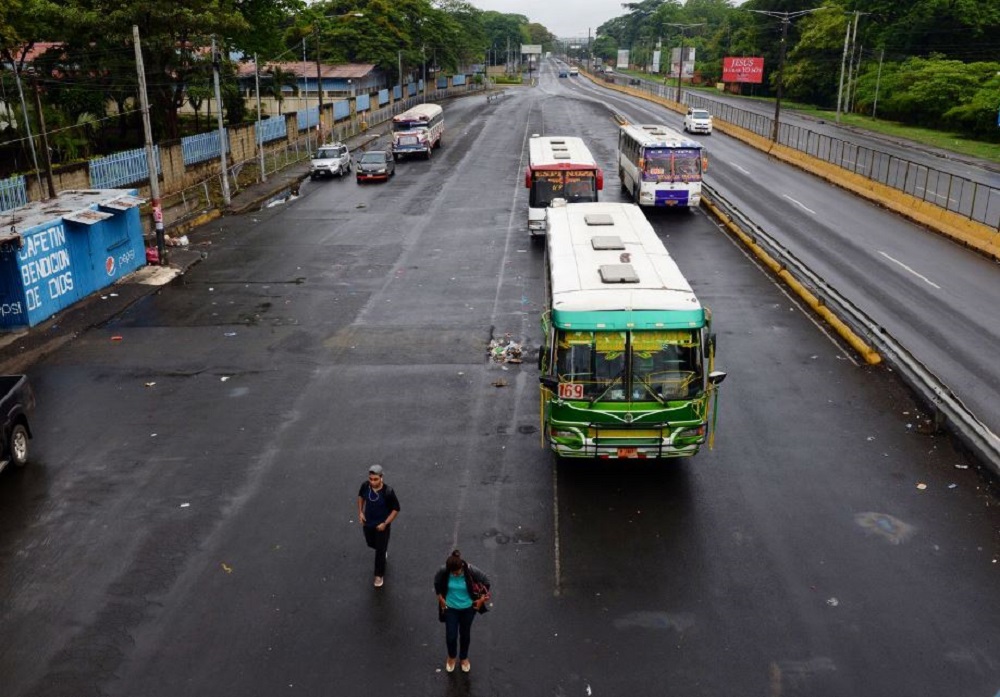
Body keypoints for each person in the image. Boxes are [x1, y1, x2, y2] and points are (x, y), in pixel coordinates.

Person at [434, 549, 491, 673]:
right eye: (452, 573)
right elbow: (437, 583)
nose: (454, 575)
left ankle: (464, 658)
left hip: (468, 609)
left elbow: (486, 581)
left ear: (461, 567)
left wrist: (481, 600)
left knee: (465, 634)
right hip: (450, 608)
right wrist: (440, 598)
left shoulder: (471, 571)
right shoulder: (444, 570)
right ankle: (451, 657)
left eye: (456, 572)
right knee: (451, 636)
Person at [357, 465, 400, 588]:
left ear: (381, 478)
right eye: (371, 479)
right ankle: (382, 548)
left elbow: (396, 509)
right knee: (371, 543)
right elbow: (360, 496)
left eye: (375, 479)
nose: (372, 482)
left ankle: (379, 574)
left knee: (380, 551)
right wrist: (360, 512)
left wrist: (385, 523)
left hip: (382, 526)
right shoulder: (365, 486)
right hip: (368, 523)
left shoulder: (388, 492)